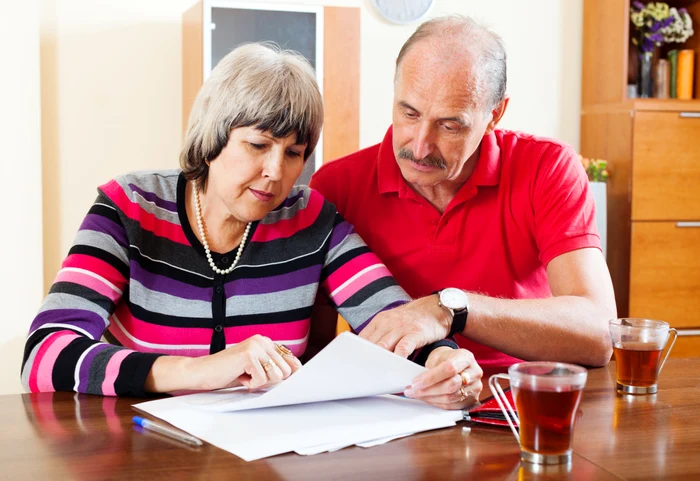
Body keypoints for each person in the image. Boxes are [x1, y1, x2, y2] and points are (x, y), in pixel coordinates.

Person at [21, 42, 482, 409]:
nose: (276, 172)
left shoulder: (311, 219)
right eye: (258, 144)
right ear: (213, 135)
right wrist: (199, 371)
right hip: (141, 451)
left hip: (265, 454)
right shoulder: (129, 209)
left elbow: (391, 320)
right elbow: (45, 354)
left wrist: (443, 362)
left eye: (294, 153)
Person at [310, 16, 617, 369]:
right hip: (396, 401)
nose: (421, 147)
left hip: (518, 398)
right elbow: (313, 353)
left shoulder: (547, 167)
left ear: (494, 114)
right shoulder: (336, 185)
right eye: (409, 113)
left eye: (450, 125)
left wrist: (450, 309)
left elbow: (599, 333)